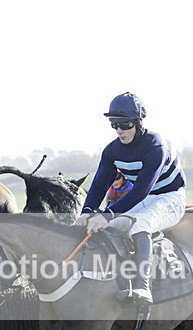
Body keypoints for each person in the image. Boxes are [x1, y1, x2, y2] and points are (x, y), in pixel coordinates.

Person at [74, 92, 186, 305]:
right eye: (114, 124)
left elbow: (140, 190)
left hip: (170, 198)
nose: (119, 130)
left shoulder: (155, 146)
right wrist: (86, 212)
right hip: (145, 199)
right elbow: (99, 184)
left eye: (125, 124)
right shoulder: (112, 151)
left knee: (140, 224)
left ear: (138, 122)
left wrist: (106, 214)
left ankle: (143, 287)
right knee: (109, 227)